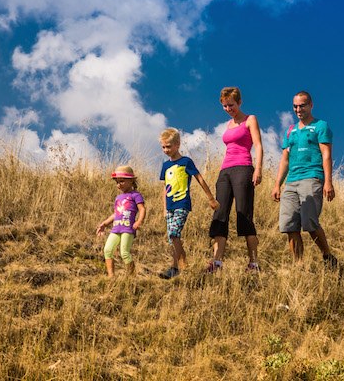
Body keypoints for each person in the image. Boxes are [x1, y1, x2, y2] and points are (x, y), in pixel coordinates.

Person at [271, 91, 338, 267]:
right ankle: (298, 265)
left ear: (311, 105)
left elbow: (326, 155)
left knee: (309, 222)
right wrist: (277, 184)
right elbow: (285, 159)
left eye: (302, 105)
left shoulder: (320, 126)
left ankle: (327, 255)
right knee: (289, 225)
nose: (298, 109)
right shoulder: (290, 131)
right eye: (295, 106)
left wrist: (328, 182)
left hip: (312, 177)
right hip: (291, 181)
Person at [208, 87, 264, 272]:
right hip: (225, 171)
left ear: (239, 102)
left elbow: (258, 145)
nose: (228, 108)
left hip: (243, 168)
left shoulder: (250, 119)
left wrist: (258, 169)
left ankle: (253, 264)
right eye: (224, 106)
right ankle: (217, 262)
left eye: (231, 105)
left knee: (244, 214)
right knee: (220, 214)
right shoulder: (228, 125)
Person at [159, 128, 219, 279]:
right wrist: (164, 208)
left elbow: (200, 179)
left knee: (174, 234)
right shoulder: (165, 166)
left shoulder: (186, 162)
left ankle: (180, 265)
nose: (166, 150)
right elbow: (164, 189)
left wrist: (211, 198)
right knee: (172, 239)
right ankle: (177, 267)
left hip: (182, 204)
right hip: (170, 207)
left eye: (168, 146)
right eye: (163, 147)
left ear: (177, 145)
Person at [96, 165, 146, 277]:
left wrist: (139, 221)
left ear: (131, 181)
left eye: (122, 181)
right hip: (116, 228)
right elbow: (116, 214)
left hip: (128, 228)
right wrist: (104, 223)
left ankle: (131, 276)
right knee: (107, 250)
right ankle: (111, 276)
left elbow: (142, 209)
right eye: (117, 182)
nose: (119, 185)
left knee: (124, 253)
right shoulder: (118, 198)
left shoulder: (136, 195)